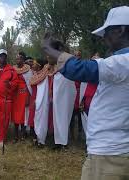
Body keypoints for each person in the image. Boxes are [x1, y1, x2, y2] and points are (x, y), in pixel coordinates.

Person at [41, 6, 129, 179]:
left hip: (112, 154)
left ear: (121, 30)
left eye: (107, 33)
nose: (104, 39)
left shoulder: (125, 61)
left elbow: (80, 70)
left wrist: (49, 49)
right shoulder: (119, 62)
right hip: (104, 151)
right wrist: (62, 53)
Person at [12, 52, 31, 143]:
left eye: (20, 58)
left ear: (23, 60)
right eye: (17, 59)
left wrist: (28, 96)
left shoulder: (28, 70)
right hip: (15, 95)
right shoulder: (13, 70)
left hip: (24, 94)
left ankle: (23, 134)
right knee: (16, 115)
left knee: (23, 115)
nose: (18, 60)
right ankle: (16, 135)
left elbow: (29, 84)